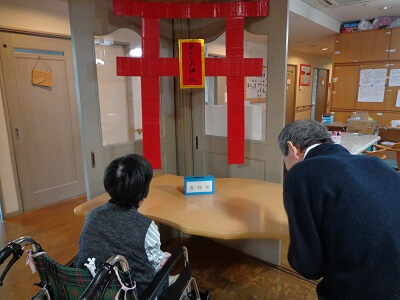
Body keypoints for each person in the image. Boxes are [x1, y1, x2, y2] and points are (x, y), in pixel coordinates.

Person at [277, 120, 400, 299]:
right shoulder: (376, 164)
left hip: (363, 289)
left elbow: (309, 265)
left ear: (293, 148)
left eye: (284, 157)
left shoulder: (302, 173)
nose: (286, 165)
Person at [75, 154, 169, 297]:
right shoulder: (147, 227)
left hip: (92, 291)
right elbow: (155, 267)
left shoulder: (93, 215)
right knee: (165, 267)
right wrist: (162, 258)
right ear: (143, 193)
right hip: (133, 293)